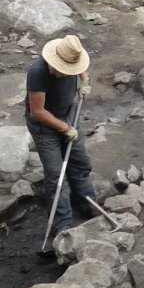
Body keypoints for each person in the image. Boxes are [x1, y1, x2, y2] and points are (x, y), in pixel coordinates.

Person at [25, 35, 97, 235]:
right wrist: (64, 129)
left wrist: (84, 80)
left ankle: (89, 208)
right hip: (44, 127)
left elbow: (80, 63)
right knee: (57, 176)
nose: (67, 73)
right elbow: (37, 112)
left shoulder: (73, 55)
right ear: (53, 61)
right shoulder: (37, 72)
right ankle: (63, 224)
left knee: (80, 163)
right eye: (64, 70)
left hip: (68, 115)